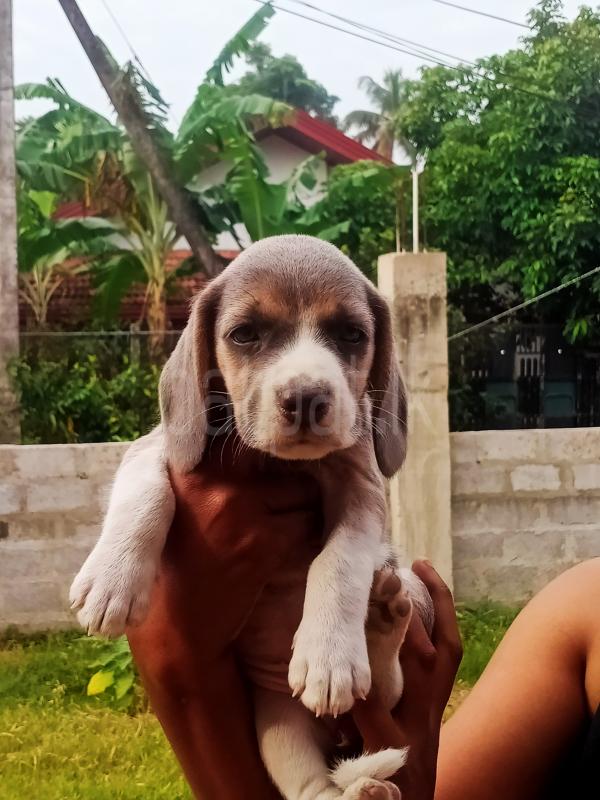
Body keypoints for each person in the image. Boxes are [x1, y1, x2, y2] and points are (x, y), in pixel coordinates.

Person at [127, 444, 600, 799]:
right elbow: (149, 457)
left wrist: (179, 671)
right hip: (289, 690)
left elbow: (364, 500)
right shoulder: (583, 608)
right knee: (288, 732)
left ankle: (374, 669)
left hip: (315, 667)